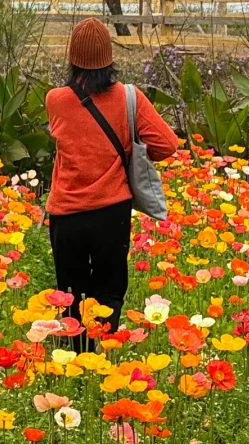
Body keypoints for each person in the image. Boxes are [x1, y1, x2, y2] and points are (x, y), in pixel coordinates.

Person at [45, 17, 178, 341]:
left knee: (71, 294)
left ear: (72, 58)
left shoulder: (55, 100)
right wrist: (130, 152)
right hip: (111, 212)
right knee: (109, 290)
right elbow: (168, 145)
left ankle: (75, 360)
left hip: (67, 213)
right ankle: (102, 357)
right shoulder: (129, 98)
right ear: (110, 59)